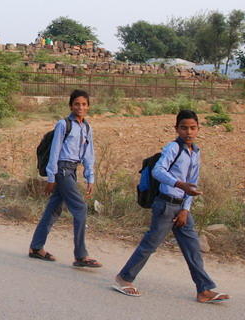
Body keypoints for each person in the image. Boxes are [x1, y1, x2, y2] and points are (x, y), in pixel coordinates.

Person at [113, 109, 230, 303]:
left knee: (192, 248)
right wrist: (178, 184)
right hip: (165, 205)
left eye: (193, 128)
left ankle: (204, 290)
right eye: (184, 128)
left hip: (181, 207)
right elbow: (158, 171)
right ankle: (124, 278)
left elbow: (193, 182)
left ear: (199, 129)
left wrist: (186, 209)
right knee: (150, 245)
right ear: (176, 129)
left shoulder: (195, 152)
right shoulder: (173, 148)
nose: (188, 132)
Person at [28, 89, 101, 268]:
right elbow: (55, 151)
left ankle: (36, 247)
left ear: (88, 106)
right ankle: (80, 255)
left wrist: (90, 176)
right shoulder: (63, 124)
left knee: (54, 209)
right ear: (70, 105)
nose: (80, 107)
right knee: (80, 207)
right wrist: (51, 176)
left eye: (84, 104)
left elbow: (88, 154)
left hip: (72, 170)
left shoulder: (87, 127)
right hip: (62, 170)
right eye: (77, 104)